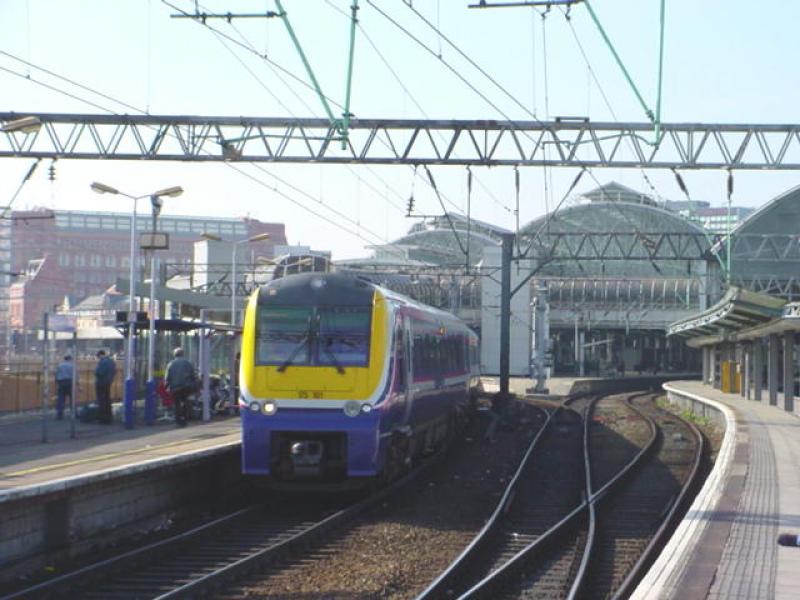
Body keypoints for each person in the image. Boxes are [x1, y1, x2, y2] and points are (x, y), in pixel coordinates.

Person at [165, 347, 198, 427]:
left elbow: (167, 377)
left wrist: (166, 386)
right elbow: (193, 375)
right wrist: (194, 385)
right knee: (185, 401)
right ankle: (185, 418)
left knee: (177, 404)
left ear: (174, 355)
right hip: (186, 387)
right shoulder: (188, 363)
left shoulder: (170, 364)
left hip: (175, 388)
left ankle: (178, 421)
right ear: (182, 354)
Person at [94, 350, 116, 424]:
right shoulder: (111, 362)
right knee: (107, 399)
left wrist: (95, 371)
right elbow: (114, 372)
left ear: (101, 355)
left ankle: (102, 418)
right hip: (108, 382)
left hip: (101, 382)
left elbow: (99, 372)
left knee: (101, 401)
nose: (98, 358)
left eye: (98, 357)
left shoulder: (103, 362)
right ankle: (109, 417)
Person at [55, 354, 75, 420]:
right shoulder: (72, 365)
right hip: (70, 382)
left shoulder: (60, 365)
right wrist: (78, 384)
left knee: (61, 399)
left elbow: (56, 374)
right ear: (70, 359)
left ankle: (60, 414)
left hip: (61, 382)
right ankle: (73, 413)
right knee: (72, 398)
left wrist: (57, 382)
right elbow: (75, 375)